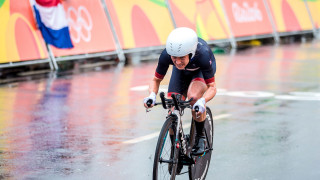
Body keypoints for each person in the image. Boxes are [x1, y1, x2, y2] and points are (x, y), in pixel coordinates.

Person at [143, 27, 217, 156]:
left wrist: (202, 101)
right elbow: (156, 80)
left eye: (181, 57)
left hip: (199, 72)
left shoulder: (203, 54)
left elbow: (212, 87)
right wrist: (152, 95)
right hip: (180, 73)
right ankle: (175, 150)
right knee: (172, 108)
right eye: (174, 58)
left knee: (193, 98)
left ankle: (200, 138)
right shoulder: (167, 55)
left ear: (190, 53)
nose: (177, 61)